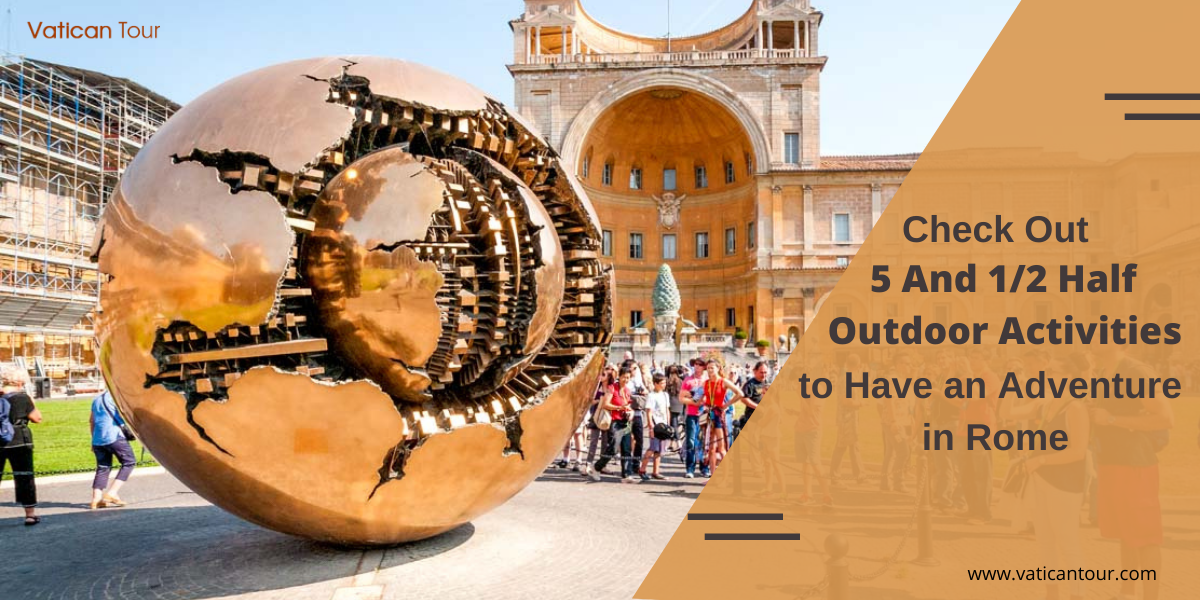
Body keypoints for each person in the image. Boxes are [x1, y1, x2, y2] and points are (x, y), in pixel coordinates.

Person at [1092, 348, 1172, 600]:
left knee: (1145, 536)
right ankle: (1127, 592)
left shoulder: (1136, 372)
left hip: (1135, 463)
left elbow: (1165, 418)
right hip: (1112, 462)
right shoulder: (1102, 372)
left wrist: (1112, 419)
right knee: (1126, 533)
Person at [0, 367, 42, 525]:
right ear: (19, 381)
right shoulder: (22, 397)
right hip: (19, 440)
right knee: (24, 476)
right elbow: (37, 418)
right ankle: (30, 514)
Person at [89, 390, 137, 509]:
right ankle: (112, 493)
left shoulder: (96, 399)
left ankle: (96, 499)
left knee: (103, 467)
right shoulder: (116, 396)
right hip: (114, 436)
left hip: (97, 439)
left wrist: (93, 439)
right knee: (129, 462)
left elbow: (91, 420)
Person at [701, 361, 746, 476]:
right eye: (708, 368)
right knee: (710, 448)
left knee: (721, 448)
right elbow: (703, 397)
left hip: (718, 415)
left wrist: (726, 405)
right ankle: (712, 474)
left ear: (718, 368)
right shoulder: (706, 383)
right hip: (709, 415)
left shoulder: (723, 381)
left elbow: (740, 393)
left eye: (712, 368)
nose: (710, 370)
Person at [830, 354, 865, 487]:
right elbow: (846, 400)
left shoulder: (850, 378)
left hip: (851, 417)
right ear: (857, 365)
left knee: (854, 445)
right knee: (841, 446)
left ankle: (860, 474)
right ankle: (835, 475)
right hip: (846, 418)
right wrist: (860, 403)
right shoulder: (847, 379)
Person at [600, 366, 637, 483]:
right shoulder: (612, 388)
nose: (626, 380)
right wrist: (619, 407)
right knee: (613, 448)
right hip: (615, 421)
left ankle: (627, 474)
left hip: (625, 422)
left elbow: (628, 406)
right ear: (619, 377)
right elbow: (605, 404)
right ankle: (598, 467)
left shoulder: (627, 390)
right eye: (624, 377)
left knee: (626, 448)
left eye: (628, 378)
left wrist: (630, 412)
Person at [639, 373, 670, 480]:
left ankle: (656, 471)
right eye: (661, 383)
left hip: (664, 425)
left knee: (660, 450)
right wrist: (651, 427)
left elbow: (667, 410)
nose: (664, 385)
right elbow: (649, 412)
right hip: (656, 425)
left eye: (664, 382)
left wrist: (668, 424)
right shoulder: (651, 396)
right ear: (655, 384)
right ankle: (642, 469)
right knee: (652, 448)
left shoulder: (665, 395)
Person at [679, 359, 708, 478]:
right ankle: (690, 468)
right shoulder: (688, 380)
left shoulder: (706, 380)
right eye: (696, 364)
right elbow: (681, 398)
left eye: (700, 365)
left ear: (704, 367)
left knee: (703, 441)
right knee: (691, 441)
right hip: (691, 414)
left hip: (704, 414)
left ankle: (704, 467)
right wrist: (693, 402)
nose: (697, 366)